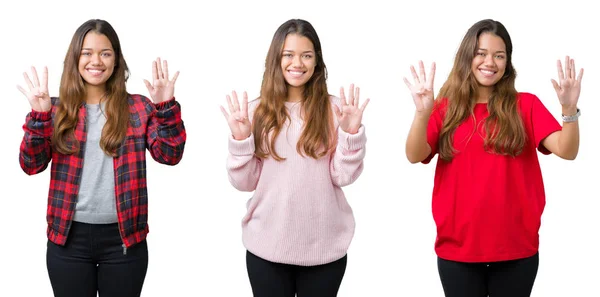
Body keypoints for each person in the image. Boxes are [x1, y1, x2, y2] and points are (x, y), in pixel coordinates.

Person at [404, 19, 583, 297]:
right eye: (481, 53)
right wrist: (422, 113)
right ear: (468, 57)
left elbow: (567, 150)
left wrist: (569, 110)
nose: (490, 62)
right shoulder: (445, 109)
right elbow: (415, 154)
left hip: (516, 248)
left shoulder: (527, 105)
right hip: (458, 250)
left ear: (508, 62)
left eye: (499, 55)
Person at [18, 19, 186, 297]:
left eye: (105, 53)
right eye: (87, 52)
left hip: (124, 241)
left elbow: (169, 155)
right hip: (68, 239)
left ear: (117, 60)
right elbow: (30, 165)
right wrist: (39, 117)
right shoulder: (56, 109)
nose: (96, 61)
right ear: (75, 58)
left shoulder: (139, 107)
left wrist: (165, 106)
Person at [220, 18, 369, 297]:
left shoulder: (335, 110)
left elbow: (342, 176)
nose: (297, 63)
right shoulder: (254, 112)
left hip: (325, 250)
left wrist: (350, 134)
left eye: (306, 55)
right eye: (288, 54)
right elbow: (245, 182)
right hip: (267, 248)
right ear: (276, 59)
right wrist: (241, 140)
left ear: (317, 63)